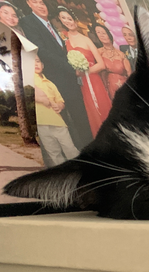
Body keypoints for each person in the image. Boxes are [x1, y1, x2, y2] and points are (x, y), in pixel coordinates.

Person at [20, 0, 93, 149]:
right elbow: (41, 50)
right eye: (35, 2)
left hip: (69, 79)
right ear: (28, 3)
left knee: (80, 115)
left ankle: (89, 147)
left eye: (42, 3)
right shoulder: (28, 22)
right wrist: (70, 68)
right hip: (55, 79)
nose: (41, 6)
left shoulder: (51, 24)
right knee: (67, 120)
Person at [57, 6, 111, 137]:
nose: (67, 21)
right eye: (63, 18)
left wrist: (84, 71)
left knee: (100, 108)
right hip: (77, 85)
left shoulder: (86, 39)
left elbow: (101, 64)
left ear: (75, 21)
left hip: (92, 80)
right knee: (87, 113)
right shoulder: (62, 40)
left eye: (69, 18)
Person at [33, 55, 80, 167]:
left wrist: (59, 106)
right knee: (54, 152)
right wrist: (42, 99)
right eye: (32, 62)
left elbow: (60, 101)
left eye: (38, 61)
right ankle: (63, 173)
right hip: (41, 123)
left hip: (58, 123)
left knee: (70, 148)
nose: (35, 64)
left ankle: (79, 168)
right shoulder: (29, 81)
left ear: (43, 65)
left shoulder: (50, 83)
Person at [95, 24, 129, 99]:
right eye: (98, 33)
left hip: (124, 87)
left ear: (109, 34)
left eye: (104, 33)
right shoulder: (98, 52)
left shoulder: (121, 54)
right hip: (108, 88)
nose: (101, 35)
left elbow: (129, 73)